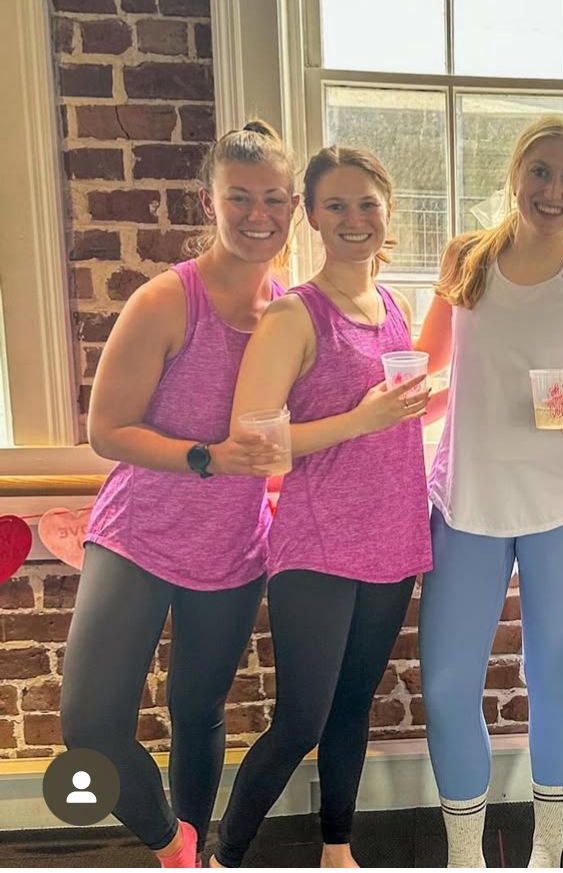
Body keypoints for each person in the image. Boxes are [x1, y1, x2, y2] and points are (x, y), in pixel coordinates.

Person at [63, 121, 297, 868]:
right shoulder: (167, 301)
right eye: (239, 198)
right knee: (90, 727)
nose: (257, 215)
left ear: (292, 205)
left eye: (272, 199)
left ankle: (195, 858)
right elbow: (106, 429)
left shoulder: (291, 313)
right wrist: (207, 456)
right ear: (209, 202)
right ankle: (175, 845)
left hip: (233, 549)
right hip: (138, 536)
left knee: (197, 713)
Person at [416, 115, 563, 868]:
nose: (553, 189)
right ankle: (465, 855)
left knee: (549, 678)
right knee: (444, 685)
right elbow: (420, 375)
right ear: (515, 174)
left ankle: (547, 852)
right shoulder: (465, 259)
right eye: (540, 171)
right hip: (466, 501)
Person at [209, 147, 432, 869]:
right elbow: (254, 439)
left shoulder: (396, 304)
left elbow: (397, 415)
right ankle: (223, 856)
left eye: (366, 203)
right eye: (335, 205)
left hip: (393, 537)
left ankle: (337, 849)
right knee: (300, 719)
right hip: (317, 545)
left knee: (349, 708)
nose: (354, 219)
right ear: (309, 216)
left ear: (388, 209)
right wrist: (357, 421)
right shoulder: (293, 314)